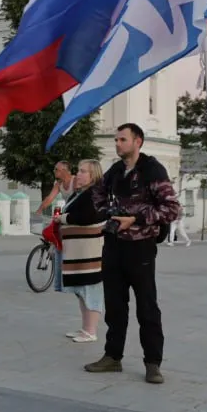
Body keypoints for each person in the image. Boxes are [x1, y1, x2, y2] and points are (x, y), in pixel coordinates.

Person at [83, 123, 181, 384]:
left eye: (122, 139)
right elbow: (97, 193)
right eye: (116, 139)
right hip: (114, 244)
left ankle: (152, 363)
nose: (117, 144)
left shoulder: (152, 170)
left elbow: (171, 209)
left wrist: (135, 218)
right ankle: (112, 356)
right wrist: (108, 214)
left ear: (138, 141)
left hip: (141, 247)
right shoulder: (116, 170)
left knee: (147, 307)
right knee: (115, 306)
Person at [57, 159, 107, 343]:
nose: (78, 174)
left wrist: (63, 219)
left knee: (91, 289)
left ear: (93, 174)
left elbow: (88, 216)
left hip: (90, 252)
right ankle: (85, 327)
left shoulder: (96, 193)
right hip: (78, 252)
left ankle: (91, 330)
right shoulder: (81, 193)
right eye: (78, 170)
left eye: (83, 171)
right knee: (81, 290)